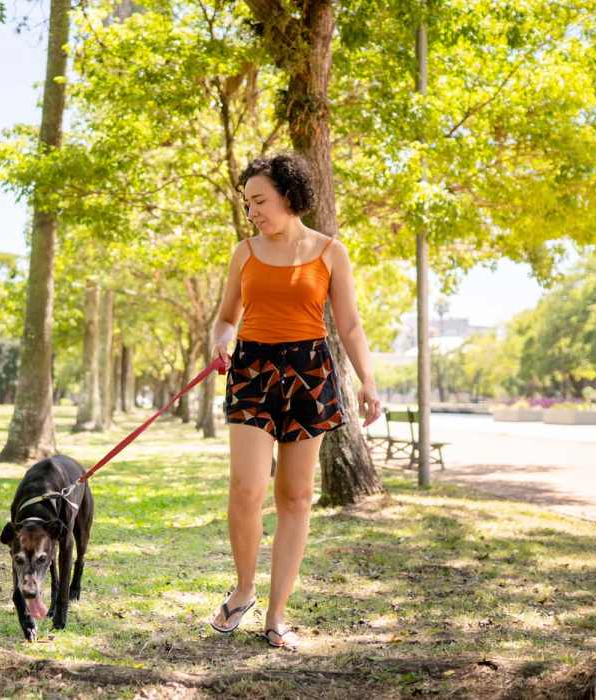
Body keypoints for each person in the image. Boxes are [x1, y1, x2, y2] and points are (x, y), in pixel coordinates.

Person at [208, 152, 381, 650]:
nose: (253, 211)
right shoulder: (244, 252)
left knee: (295, 498)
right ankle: (244, 590)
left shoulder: (331, 252)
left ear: (289, 196)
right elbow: (225, 317)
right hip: (252, 370)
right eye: (248, 204)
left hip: (309, 371)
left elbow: (348, 324)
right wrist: (220, 339)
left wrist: (367, 380)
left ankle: (277, 616)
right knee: (246, 487)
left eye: (260, 200)